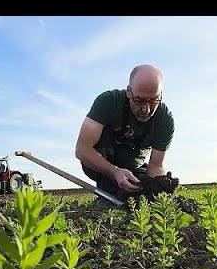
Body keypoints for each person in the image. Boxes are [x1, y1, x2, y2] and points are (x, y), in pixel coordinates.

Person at [75, 64, 176, 206]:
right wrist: (115, 172)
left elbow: (155, 165)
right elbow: (82, 150)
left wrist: (159, 190)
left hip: (133, 170)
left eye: (153, 101)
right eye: (139, 101)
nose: (146, 110)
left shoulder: (165, 120)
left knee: (145, 190)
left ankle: (122, 197)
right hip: (102, 164)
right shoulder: (108, 102)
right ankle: (108, 195)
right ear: (129, 92)